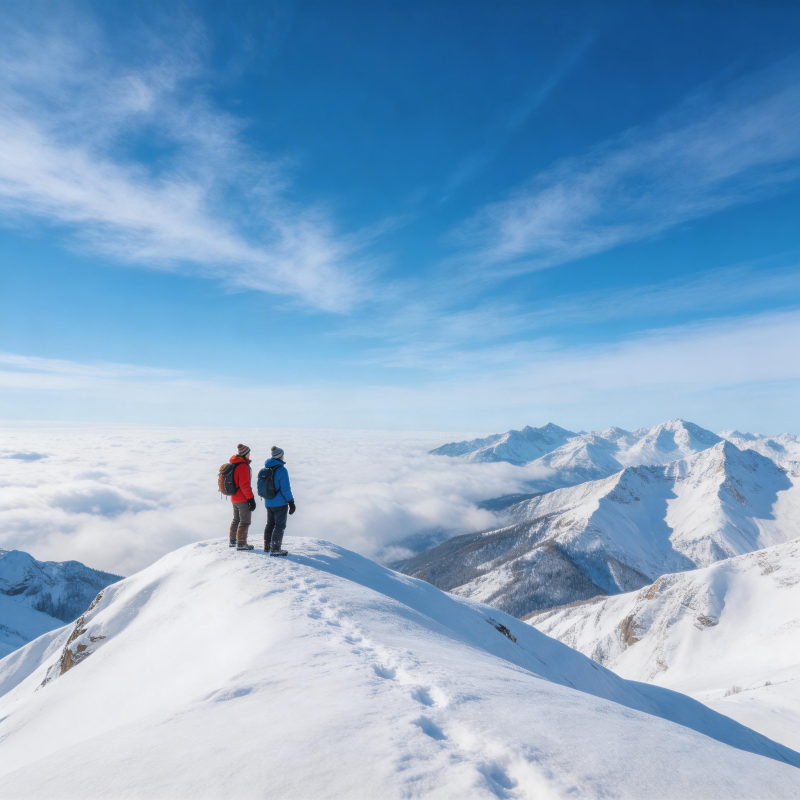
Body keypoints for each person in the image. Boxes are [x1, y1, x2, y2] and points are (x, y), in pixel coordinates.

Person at [263, 445, 296, 556]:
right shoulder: (282, 470)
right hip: (280, 503)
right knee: (279, 526)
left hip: (268, 502)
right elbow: (285, 488)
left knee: (270, 524)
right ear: (280, 456)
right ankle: (275, 549)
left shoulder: (267, 468)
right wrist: (291, 502)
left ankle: (267, 547)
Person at [228, 444, 256, 551]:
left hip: (234, 497)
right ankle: (242, 543)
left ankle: (232, 541)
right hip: (242, 498)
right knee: (245, 521)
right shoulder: (243, 466)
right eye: (249, 452)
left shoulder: (234, 464)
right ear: (245, 453)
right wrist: (251, 499)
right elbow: (244, 485)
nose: (250, 454)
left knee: (236, 519)